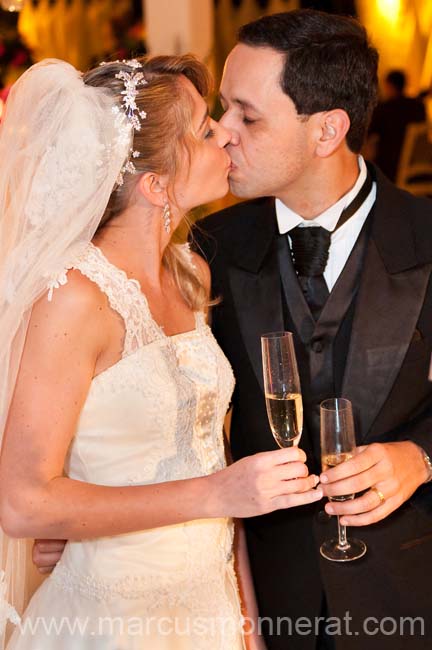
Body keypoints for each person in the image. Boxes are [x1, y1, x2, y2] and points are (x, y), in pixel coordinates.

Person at [0, 55, 323, 649]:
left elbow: (209, 455)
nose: (226, 133)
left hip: (209, 612)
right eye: (205, 130)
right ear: (156, 184)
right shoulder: (74, 297)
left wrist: (247, 623)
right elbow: (23, 503)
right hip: (112, 621)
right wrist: (218, 493)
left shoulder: (191, 272)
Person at [191, 10, 431, 650]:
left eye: (248, 115)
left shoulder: (428, 239)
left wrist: (422, 456)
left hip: (410, 595)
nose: (221, 134)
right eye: (222, 110)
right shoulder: (206, 250)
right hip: (264, 602)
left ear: (328, 130)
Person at [368, 69, 426, 182]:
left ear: (389, 85)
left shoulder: (385, 108)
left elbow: (369, 135)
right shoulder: (419, 106)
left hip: (390, 169)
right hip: (418, 166)